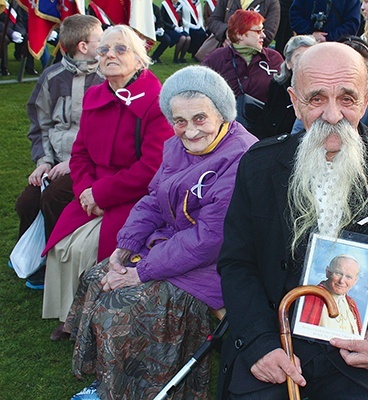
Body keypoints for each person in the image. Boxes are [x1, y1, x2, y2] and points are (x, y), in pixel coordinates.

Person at [217, 42, 368, 400]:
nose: (333, 114)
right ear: (294, 101)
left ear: (367, 98)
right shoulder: (259, 166)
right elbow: (236, 263)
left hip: (361, 353)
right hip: (276, 341)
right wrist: (260, 343)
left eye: (346, 98)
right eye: (316, 98)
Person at [65, 65, 258, 400]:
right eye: (179, 120)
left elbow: (209, 240)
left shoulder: (239, 157)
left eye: (200, 118)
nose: (189, 130)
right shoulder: (175, 146)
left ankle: (143, 389)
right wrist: (126, 245)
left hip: (215, 265)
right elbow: (154, 199)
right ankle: (110, 380)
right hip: (172, 249)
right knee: (97, 278)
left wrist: (143, 270)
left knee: (121, 308)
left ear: (222, 114)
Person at [41, 25, 172, 341]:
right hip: (92, 192)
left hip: (134, 196)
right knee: (63, 246)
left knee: (87, 250)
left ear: (139, 59)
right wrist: (85, 191)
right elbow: (80, 152)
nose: (110, 55)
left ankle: (92, 319)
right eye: (104, 50)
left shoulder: (156, 101)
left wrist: (101, 194)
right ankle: (70, 315)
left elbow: (152, 167)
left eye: (120, 49)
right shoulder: (95, 95)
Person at [13, 15, 104, 290]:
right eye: (99, 40)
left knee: (53, 198)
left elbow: (103, 134)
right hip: (54, 163)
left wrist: (73, 164)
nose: (105, 46)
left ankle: (53, 263)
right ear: (83, 46)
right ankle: (29, 255)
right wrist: (43, 162)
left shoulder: (106, 78)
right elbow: (40, 125)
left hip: (87, 164)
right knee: (27, 202)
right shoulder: (51, 77)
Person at [203, 10, 283, 105]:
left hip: (266, 118)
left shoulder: (274, 58)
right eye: (258, 31)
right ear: (239, 34)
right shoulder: (215, 59)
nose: (263, 35)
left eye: (263, 31)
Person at [252, 35, 317, 139]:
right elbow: (266, 121)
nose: (304, 62)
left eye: (309, 57)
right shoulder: (278, 86)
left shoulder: (322, 88)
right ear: (288, 63)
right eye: (299, 57)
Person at [299, 255, 363, 334]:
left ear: (355, 281)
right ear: (328, 272)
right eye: (338, 273)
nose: (342, 281)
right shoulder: (310, 296)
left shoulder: (351, 304)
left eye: (348, 277)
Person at [207, 0, 280, 48]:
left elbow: (268, 34)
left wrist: (237, 40)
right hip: (225, 52)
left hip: (255, 57)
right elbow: (213, 20)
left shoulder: (272, 2)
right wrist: (227, 32)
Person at [289, 0, 361, 42]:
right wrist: (310, 33)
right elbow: (294, 15)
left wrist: (329, 37)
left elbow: (352, 24)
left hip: (336, 48)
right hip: (306, 44)